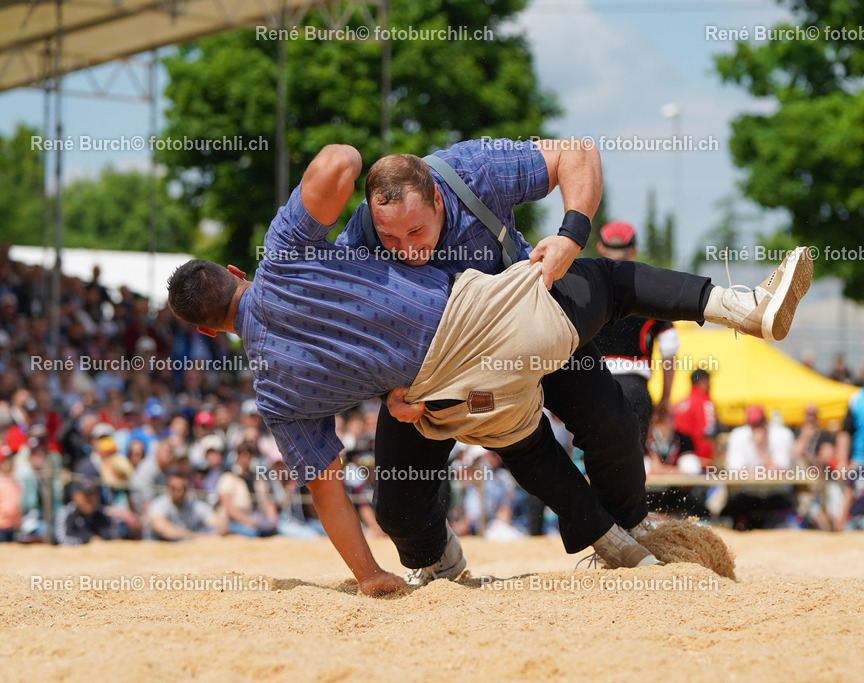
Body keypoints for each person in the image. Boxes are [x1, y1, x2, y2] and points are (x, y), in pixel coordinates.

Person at [166, 143, 814, 596]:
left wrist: (569, 230)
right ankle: (743, 307)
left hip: (467, 357)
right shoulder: (305, 250)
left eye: (416, 231)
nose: (405, 250)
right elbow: (340, 165)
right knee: (607, 292)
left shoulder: (473, 170)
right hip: (467, 350)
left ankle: (620, 538)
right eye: (389, 242)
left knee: (569, 426)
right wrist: (391, 390)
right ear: (235, 272)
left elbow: (328, 489)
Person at [590, 221, 678, 451]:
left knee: (597, 462)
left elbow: (564, 340)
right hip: (635, 388)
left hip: (593, 386)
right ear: (634, 250)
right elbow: (670, 348)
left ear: (601, 247)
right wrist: (666, 398)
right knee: (633, 464)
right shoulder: (650, 291)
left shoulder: (586, 288)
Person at [720, 405, 796, 529]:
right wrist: (766, 472)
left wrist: (761, 449)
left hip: (776, 496)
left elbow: (781, 473)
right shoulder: (738, 435)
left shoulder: (782, 435)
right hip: (748, 496)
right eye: (753, 424)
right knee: (726, 515)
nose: (757, 428)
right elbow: (734, 472)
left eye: (759, 423)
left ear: (766, 421)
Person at [147, 471, 228, 541]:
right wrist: (196, 536)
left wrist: (212, 534)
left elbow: (220, 524)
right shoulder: (159, 505)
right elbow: (161, 528)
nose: (180, 492)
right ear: (168, 489)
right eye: (175, 489)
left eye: (183, 488)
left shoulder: (194, 506)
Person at [672, 369, 716, 471]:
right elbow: (707, 434)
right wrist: (709, 463)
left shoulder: (680, 403)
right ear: (702, 381)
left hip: (676, 464)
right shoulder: (704, 402)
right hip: (699, 465)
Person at [55, 480, 117, 545]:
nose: (90, 500)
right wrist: (88, 539)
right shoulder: (66, 513)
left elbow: (112, 537)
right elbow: (61, 539)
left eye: (92, 494)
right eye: (86, 495)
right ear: (75, 497)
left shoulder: (104, 514)